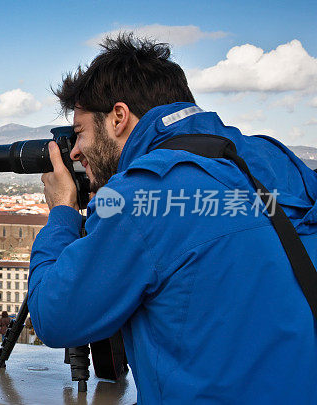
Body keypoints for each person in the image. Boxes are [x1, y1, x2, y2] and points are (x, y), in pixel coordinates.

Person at [27, 34, 317, 404]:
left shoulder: (140, 196)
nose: (77, 151)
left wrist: (63, 212)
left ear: (118, 117)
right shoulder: (277, 160)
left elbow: (55, 317)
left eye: (80, 132)